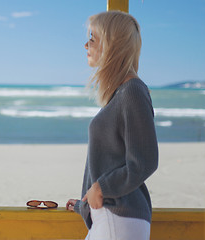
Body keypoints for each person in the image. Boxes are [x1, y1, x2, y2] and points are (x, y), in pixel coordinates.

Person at [66, 11, 159, 240]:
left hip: (119, 220)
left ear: (112, 45)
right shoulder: (121, 93)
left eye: (93, 38)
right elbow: (111, 161)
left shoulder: (132, 91)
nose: (85, 44)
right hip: (111, 220)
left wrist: (101, 188)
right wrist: (85, 203)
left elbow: (145, 161)